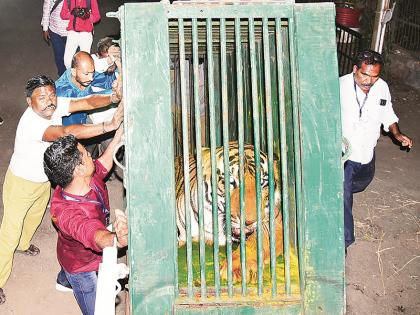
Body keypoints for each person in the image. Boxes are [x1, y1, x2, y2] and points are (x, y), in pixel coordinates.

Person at [0, 75, 122, 305]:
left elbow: (86, 102)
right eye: (41, 97)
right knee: (9, 233)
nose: (49, 101)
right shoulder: (33, 123)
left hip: (43, 180)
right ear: (29, 101)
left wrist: (113, 97)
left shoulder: (53, 104)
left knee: (34, 218)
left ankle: (23, 246)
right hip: (21, 183)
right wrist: (110, 125)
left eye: (51, 94)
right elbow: (65, 133)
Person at [43, 126, 128, 315]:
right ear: (78, 170)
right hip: (82, 268)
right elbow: (93, 234)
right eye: (85, 153)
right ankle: (69, 279)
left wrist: (118, 135)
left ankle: (63, 279)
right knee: (96, 309)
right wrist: (116, 238)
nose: (90, 154)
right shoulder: (68, 215)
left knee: (68, 260)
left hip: (71, 252)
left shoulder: (80, 179)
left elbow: (103, 164)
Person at [340, 50, 413, 251]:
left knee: (360, 184)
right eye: (364, 75)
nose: (368, 81)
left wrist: (397, 134)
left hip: (367, 153)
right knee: (344, 194)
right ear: (355, 69)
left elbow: (387, 111)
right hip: (345, 153)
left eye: (374, 76)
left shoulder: (381, 87)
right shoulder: (339, 86)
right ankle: (344, 241)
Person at [56, 51, 118, 126]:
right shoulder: (63, 93)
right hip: (73, 125)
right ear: (73, 72)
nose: (91, 78)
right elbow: (73, 129)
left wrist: (116, 85)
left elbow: (106, 81)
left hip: (86, 111)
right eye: (86, 74)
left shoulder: (84, 73)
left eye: (92, 73)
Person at [60, 0, 100, 69]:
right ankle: (72, 77)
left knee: (84, 61)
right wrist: (72, 13)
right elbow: (63, 15)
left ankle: (82, 78)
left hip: (86, 34)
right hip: (72, 32)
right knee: (67, 62)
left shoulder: (90, 1)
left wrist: (87, 15)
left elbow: (97, 17)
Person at [41, 0, 69, 76]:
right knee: (59, 55)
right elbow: (46, 9)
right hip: (54, 30)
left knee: (73, 57)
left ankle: (74, 77)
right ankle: (63, 77)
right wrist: (45, 28)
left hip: (72, 32)